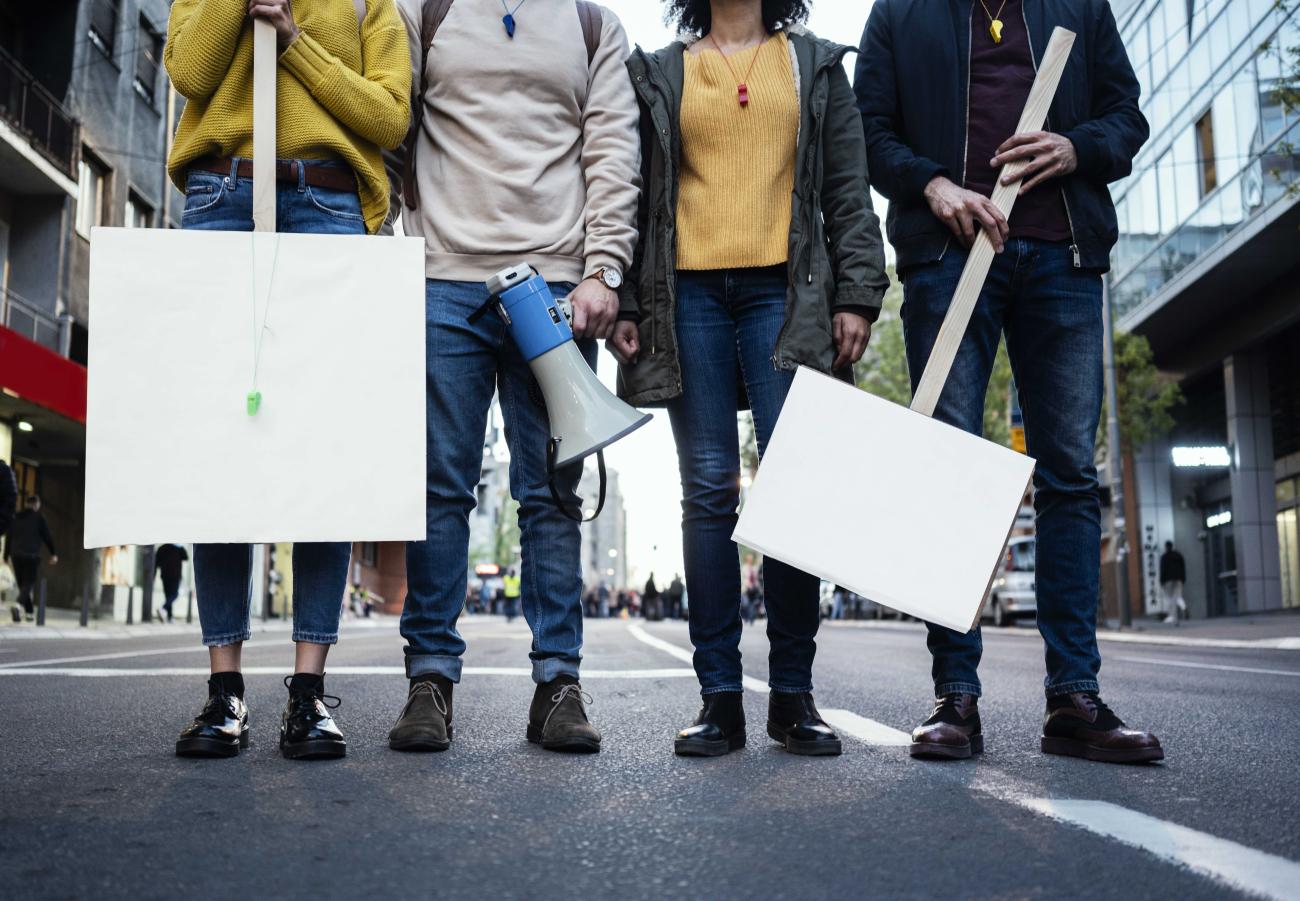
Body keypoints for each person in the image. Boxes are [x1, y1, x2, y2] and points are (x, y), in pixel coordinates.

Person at [857, 0, 1163, 764]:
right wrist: (931, 186)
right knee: (950, 471)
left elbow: (1127, 117)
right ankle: (955, 694)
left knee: (1068, 475)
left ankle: (1074, 699)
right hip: (947, 261)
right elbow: (867, 133)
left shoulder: (1077, 6)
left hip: (1063, 257)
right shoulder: (899, 12)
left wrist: (1075, 146)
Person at [615, 0, 888, 758]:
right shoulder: (663, 71)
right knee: (707, 488)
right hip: (689, 297)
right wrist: (632, 299)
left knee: (793, 490)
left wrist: (858, 294)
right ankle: (720, 699)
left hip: (786, 291)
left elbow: (847, 193)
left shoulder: (815, 65)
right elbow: (638, 198)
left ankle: (794, 695)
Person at [387, 0, 640, 756]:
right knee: (440, 486)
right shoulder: (423, 12)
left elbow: (613, 153)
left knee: (551, 491)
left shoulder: (594, 25)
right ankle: (429, 679)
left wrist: (604, 269)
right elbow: (389, 129)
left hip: (558, 287)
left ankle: (558, 682)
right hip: (444, 278)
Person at [163, 0, 411, 758]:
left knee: (321, 452)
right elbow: (189, 70)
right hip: (218, 198)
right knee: (222, 447)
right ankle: (224, 688)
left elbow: (389, 116)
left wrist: (297, 42)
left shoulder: (372, 4)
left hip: (329, 204)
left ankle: (308, 691)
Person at [6, 495, 57, 623]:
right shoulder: (39, 518)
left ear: (27, 503)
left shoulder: (15, 517)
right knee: (28, 584)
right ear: (36, 504)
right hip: (31, 555)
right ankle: (17, 605)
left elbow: (9, 536)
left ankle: (29, 613)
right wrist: (53, 553)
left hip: (16, 555)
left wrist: (5, 556)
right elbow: (47, 536)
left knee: (23, 585)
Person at [154, 544, 190, 623]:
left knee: (168, 596)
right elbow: (186, 557)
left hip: (165, 575)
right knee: (174, 594)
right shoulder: (177, 548)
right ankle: (163, 609)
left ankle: (170, 617)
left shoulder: (161, 548)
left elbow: (156, 563)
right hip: (175, 575)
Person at [1158, 541, 1187, 624]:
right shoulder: (1178, 555)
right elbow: (1183, 568)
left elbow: (1163, 569)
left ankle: (1172, 616)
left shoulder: (1164, 557)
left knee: (1170, 598)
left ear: (1166, 547)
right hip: (1178, 579)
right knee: (1177, 596)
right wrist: (1183, 579)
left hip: (1168, 580)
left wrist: (1162, 581)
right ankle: (1183, 607)